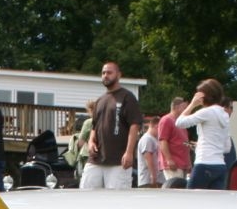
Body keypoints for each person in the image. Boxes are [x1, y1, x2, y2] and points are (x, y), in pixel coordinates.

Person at [79, 61, 143, 190]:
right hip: (96, 160)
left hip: (118, 161)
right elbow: (94, 127)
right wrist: (91, 142)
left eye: (109, 72)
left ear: (118, 75)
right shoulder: (100, 100)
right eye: (103, 73)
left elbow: (134, 125)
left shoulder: (127, 97)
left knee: (116, 199)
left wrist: (129, 153)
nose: (105, 75)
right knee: (86, 195)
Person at [176, 78, 233, 190]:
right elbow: (227, 147)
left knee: (191, 198)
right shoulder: (225, 115)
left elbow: (180, 123)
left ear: (204, 96)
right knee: (214, 200)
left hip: (204, 163)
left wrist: (192, 104)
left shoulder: (206, 112)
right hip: (220, 166)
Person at [156, 98, 191, 188]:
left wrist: (188, 163)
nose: (187, 110)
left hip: (182, 164)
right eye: (184, 107)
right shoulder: (167, 120)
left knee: (181, 189)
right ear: (177, 107)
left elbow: (184, 142)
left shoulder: (181, 123)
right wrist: (169, 159)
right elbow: (163, 141)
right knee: (175, 189)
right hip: (174, 164)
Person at [136, 121, 162, 187]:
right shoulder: (147, 139)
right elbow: (148, 158)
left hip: (156, 180)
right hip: (148, 181)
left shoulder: (154, 139)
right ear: (156, 126)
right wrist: (153, 176)